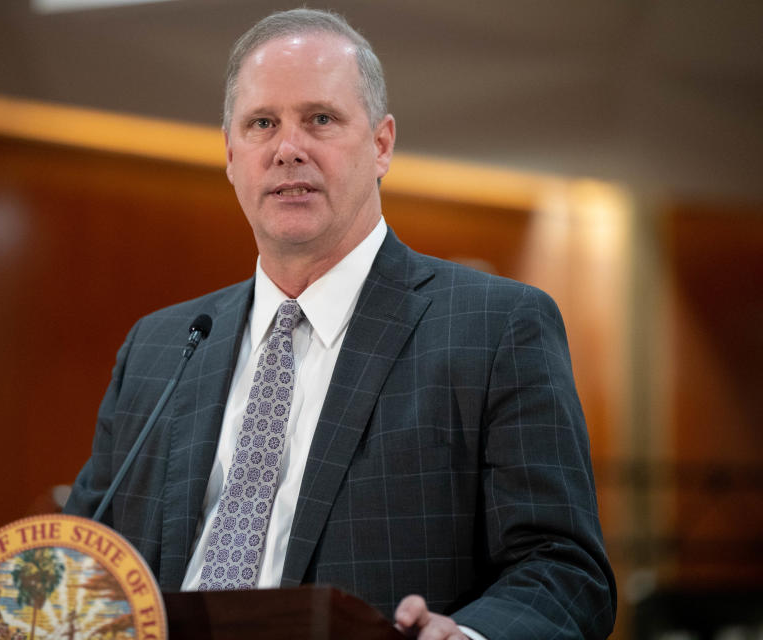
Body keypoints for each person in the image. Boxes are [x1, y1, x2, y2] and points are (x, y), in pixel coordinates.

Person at [65, 9, 615, 640]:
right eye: (262, 123)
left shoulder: (495, 328)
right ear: (230, 153)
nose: (288, 148)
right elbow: (83, 562)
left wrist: (467, 638)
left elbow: (566, 571)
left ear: (381, 145)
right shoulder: (160, 348)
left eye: (320, 119)